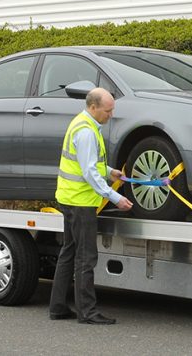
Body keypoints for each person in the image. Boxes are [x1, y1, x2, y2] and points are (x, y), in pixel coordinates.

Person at [49, 87, 133, 325]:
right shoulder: (86, 131)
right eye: (108, 111)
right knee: (86, 257)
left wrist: (110, 172)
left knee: (69, 252)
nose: (111, 115)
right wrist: (115, 197)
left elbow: (89, 163)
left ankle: (57, 307)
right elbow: (88, 171)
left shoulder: (81, 123)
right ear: (93, 107)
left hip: (69, 198)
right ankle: (87, 312)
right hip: (81, 202)